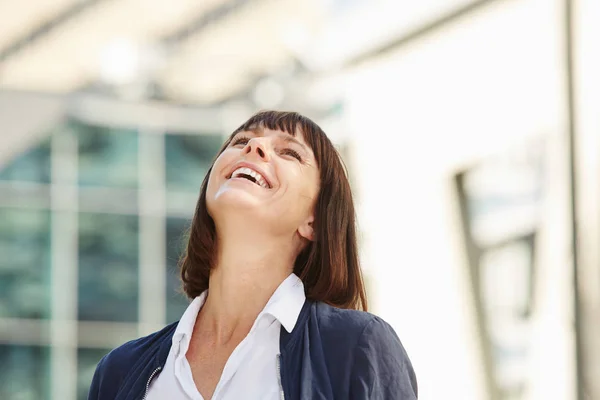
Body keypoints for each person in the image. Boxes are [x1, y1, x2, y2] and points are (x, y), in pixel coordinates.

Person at [88, 111, 418, 400]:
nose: (254, 147)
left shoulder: (356, 346)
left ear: (313, 220)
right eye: (240, 141)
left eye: (289, 152)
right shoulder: (119, 371)